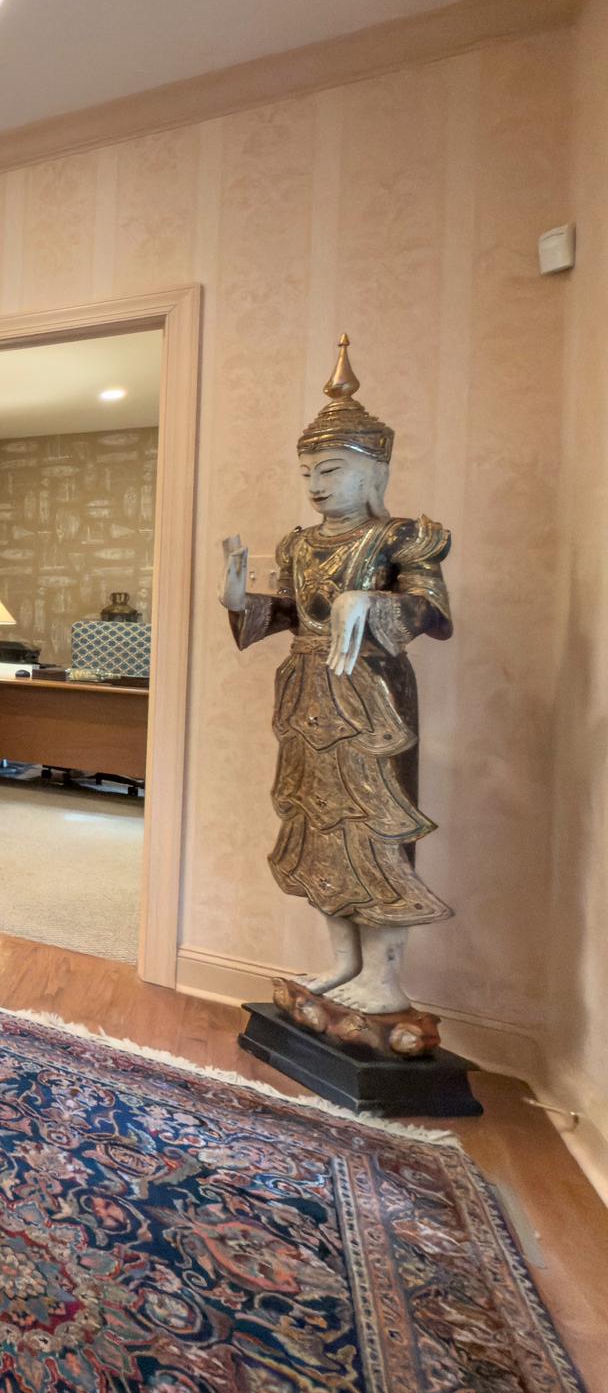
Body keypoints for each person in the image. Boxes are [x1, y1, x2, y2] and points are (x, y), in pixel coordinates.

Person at [219, 337, 452, 1035]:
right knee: (317, 827)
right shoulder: (298, 544)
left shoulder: (403, 537)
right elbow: (287, 615)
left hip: (372, 698)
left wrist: (371, 604)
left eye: (331, 469)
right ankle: (343, 963)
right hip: (307, 695)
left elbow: (433, 614)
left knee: (373, 828)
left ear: (373, 469)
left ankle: (383, 978)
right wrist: (239, 598)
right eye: (308, 472)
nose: (317, 484)